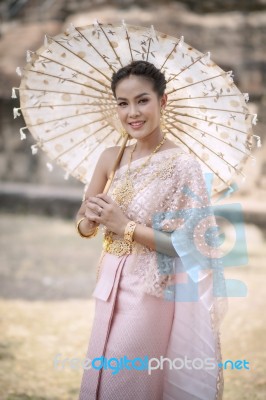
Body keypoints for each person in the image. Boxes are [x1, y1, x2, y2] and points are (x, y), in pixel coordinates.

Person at [76, 61, 227, 400]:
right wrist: (90, 219)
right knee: (99, 377)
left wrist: (124, 225)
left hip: (150, 289)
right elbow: (84, 222)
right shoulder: (110, 157)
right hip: (108, 282)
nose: (133, 112)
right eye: (122, 103)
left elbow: (190, 244)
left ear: (163, 102)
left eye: (142, 100)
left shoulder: (182, 164)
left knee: (127, 383)